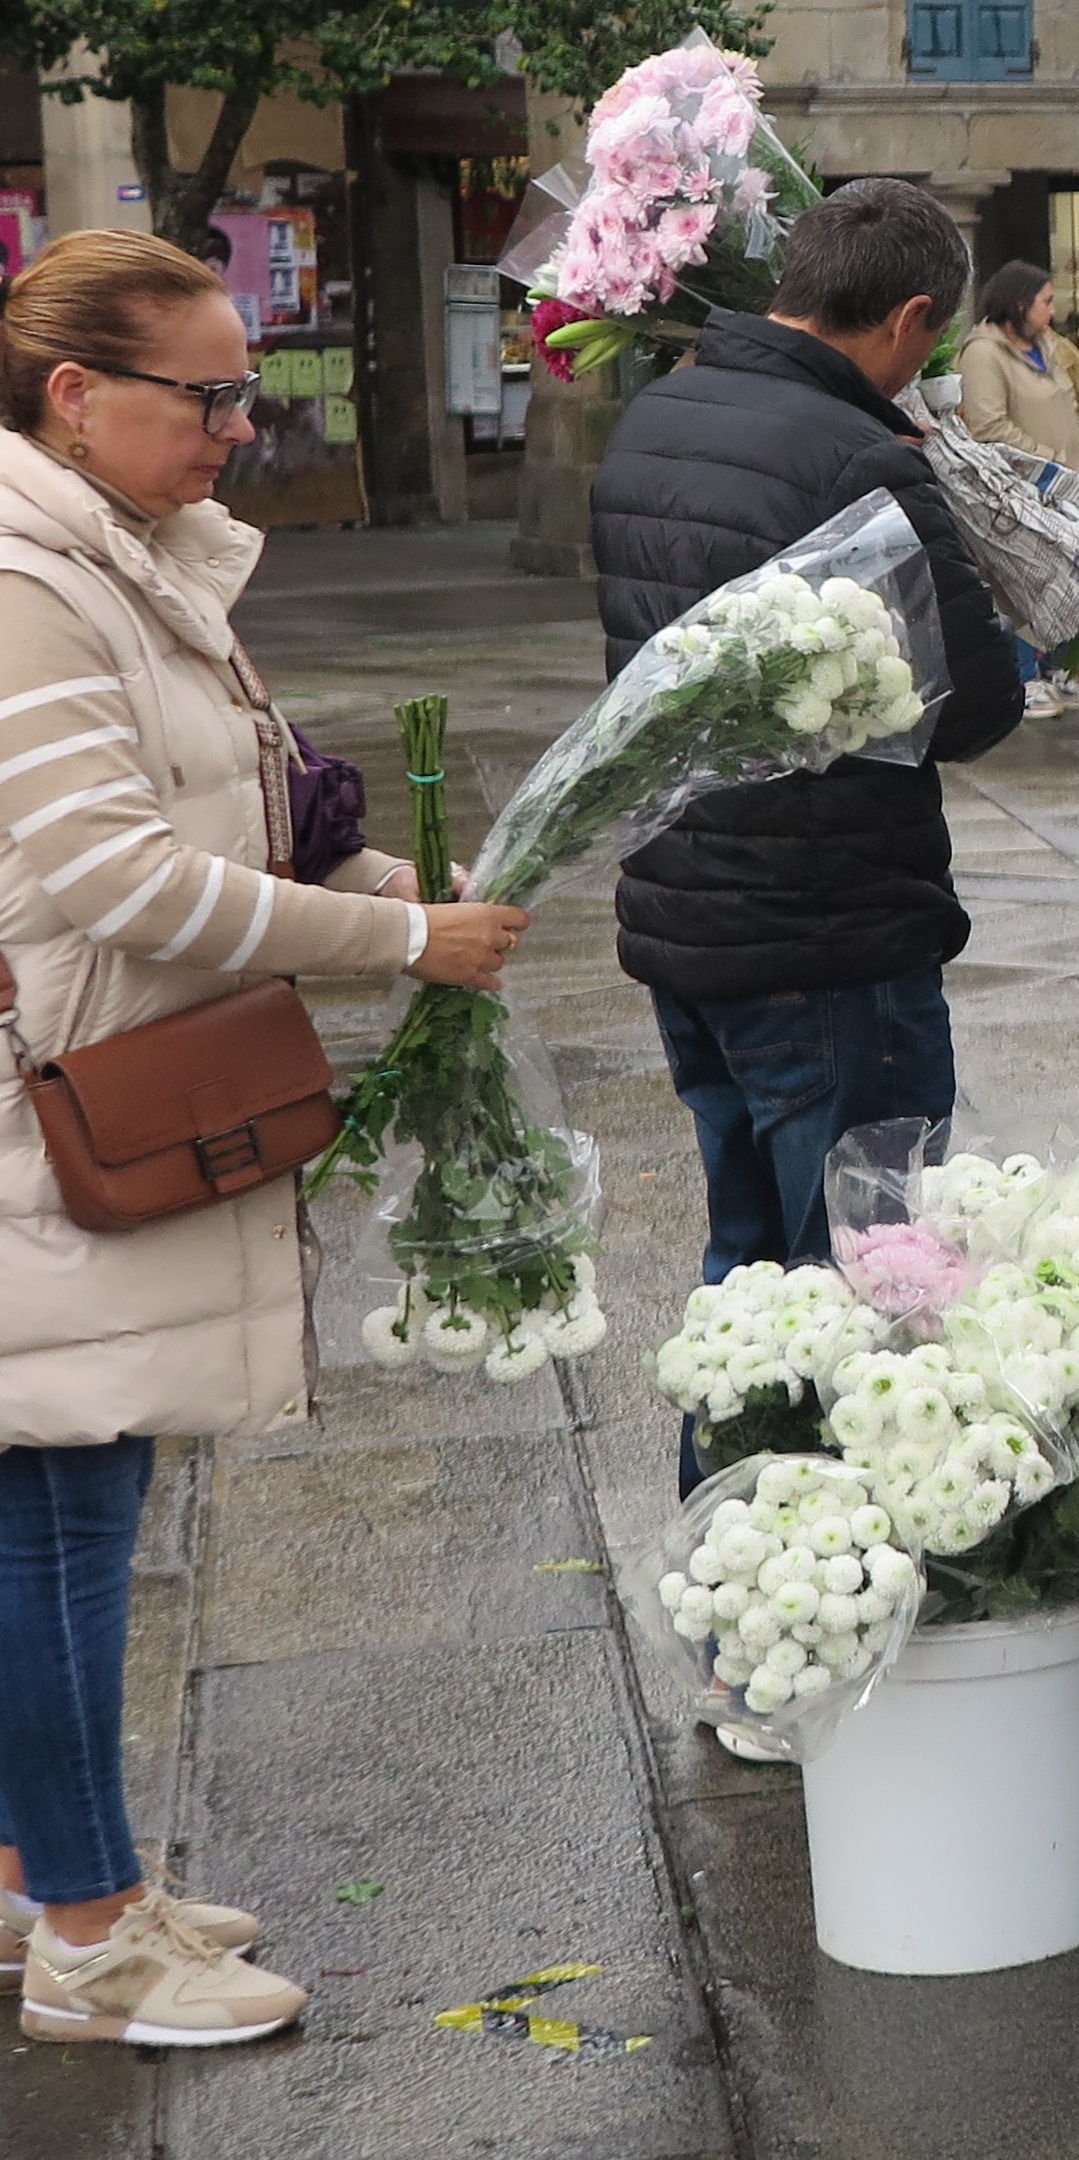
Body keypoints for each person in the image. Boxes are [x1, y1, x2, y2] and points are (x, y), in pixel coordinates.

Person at [0, 231, 525, 2047]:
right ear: (76, 396)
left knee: (66, 1498)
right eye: (210, 392)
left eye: (252, 387)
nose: (245, 421)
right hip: (52, 1116)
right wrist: (396, 942)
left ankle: (37, 1869)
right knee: (58, 1517)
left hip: (100, 1097)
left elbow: (245, 816)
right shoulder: (33, 577)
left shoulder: (122, 559)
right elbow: (112, 873)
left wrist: (381, 876)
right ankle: (87, 1929)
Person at [591, 181, 1026, 1330]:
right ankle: (811, 1504)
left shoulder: (653, 417)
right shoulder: (857, 456)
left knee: (745, 1273)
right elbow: (976, 703)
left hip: (685, 909)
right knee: (856, 1295)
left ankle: (718, 1498)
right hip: (826, 934)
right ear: (909, 318)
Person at [954, 260, 1079, 717]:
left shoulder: (1047, 347)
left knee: (1065, 580)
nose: (1053, 311)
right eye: (1046, 302)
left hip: (1064, 488)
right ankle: (1022, 678)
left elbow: (1068, 402)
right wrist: (1048, 458)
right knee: (1011, 583)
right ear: (1019, 304)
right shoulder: (983, 353)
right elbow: (986, 425)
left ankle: (1060, 669)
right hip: (1015, 491)